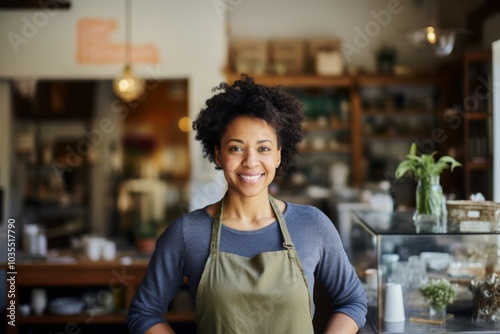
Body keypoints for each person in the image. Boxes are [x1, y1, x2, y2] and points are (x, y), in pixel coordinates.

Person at [127, 74, 367, 334]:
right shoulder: (188, 233)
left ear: (278, 155)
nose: (251, 161)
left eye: (263, 149)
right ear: (218, 155)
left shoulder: (312, 225)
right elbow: (144, 313)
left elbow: (353, 301)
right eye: (236, 148)